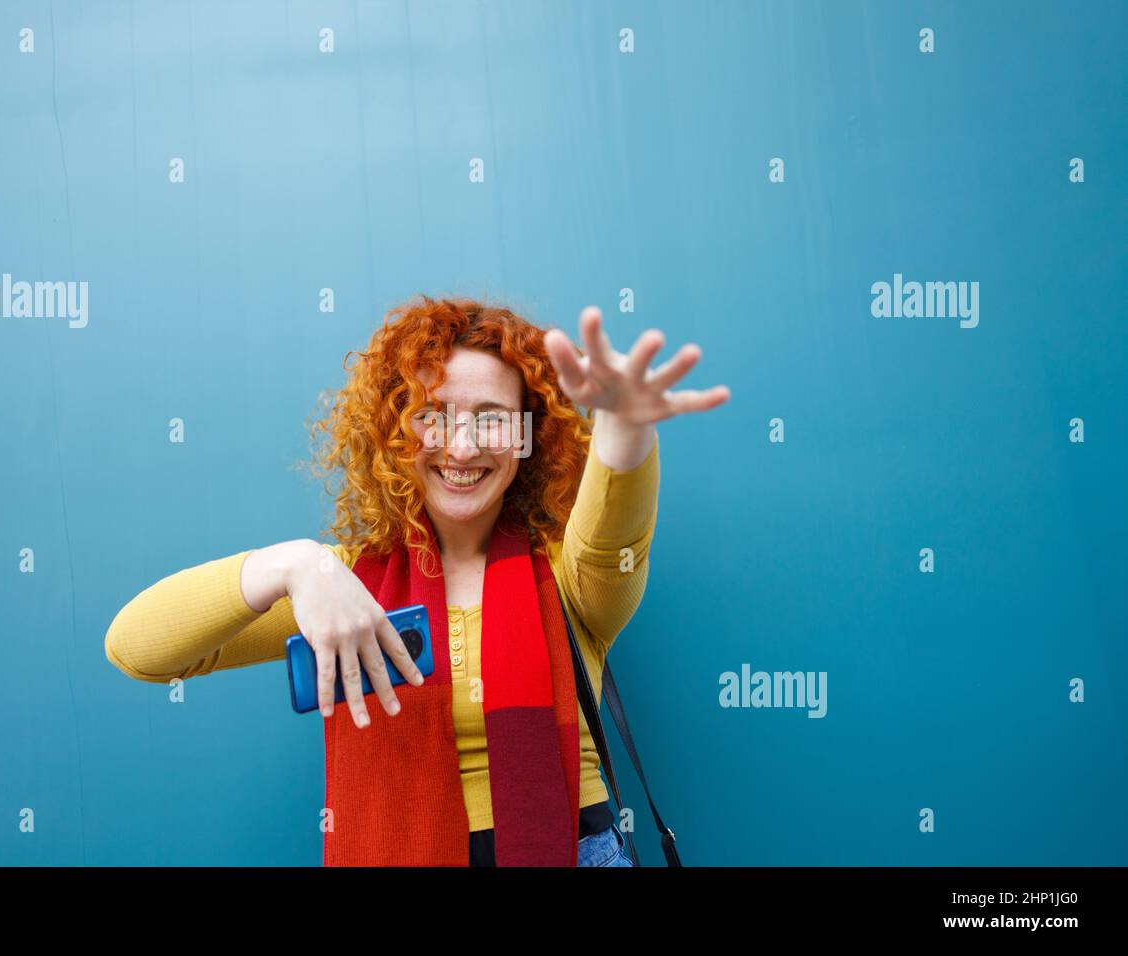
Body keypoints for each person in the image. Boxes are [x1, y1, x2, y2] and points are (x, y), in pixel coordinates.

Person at [104, 295, 729, 866]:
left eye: (492, 419)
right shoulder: (340, 589)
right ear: (396, 431)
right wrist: (295, 565)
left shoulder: (570, 576)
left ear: (528, 437)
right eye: (433, 415)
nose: (462, 447)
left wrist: (624, 427)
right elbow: (137, 649)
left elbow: (613, 537)